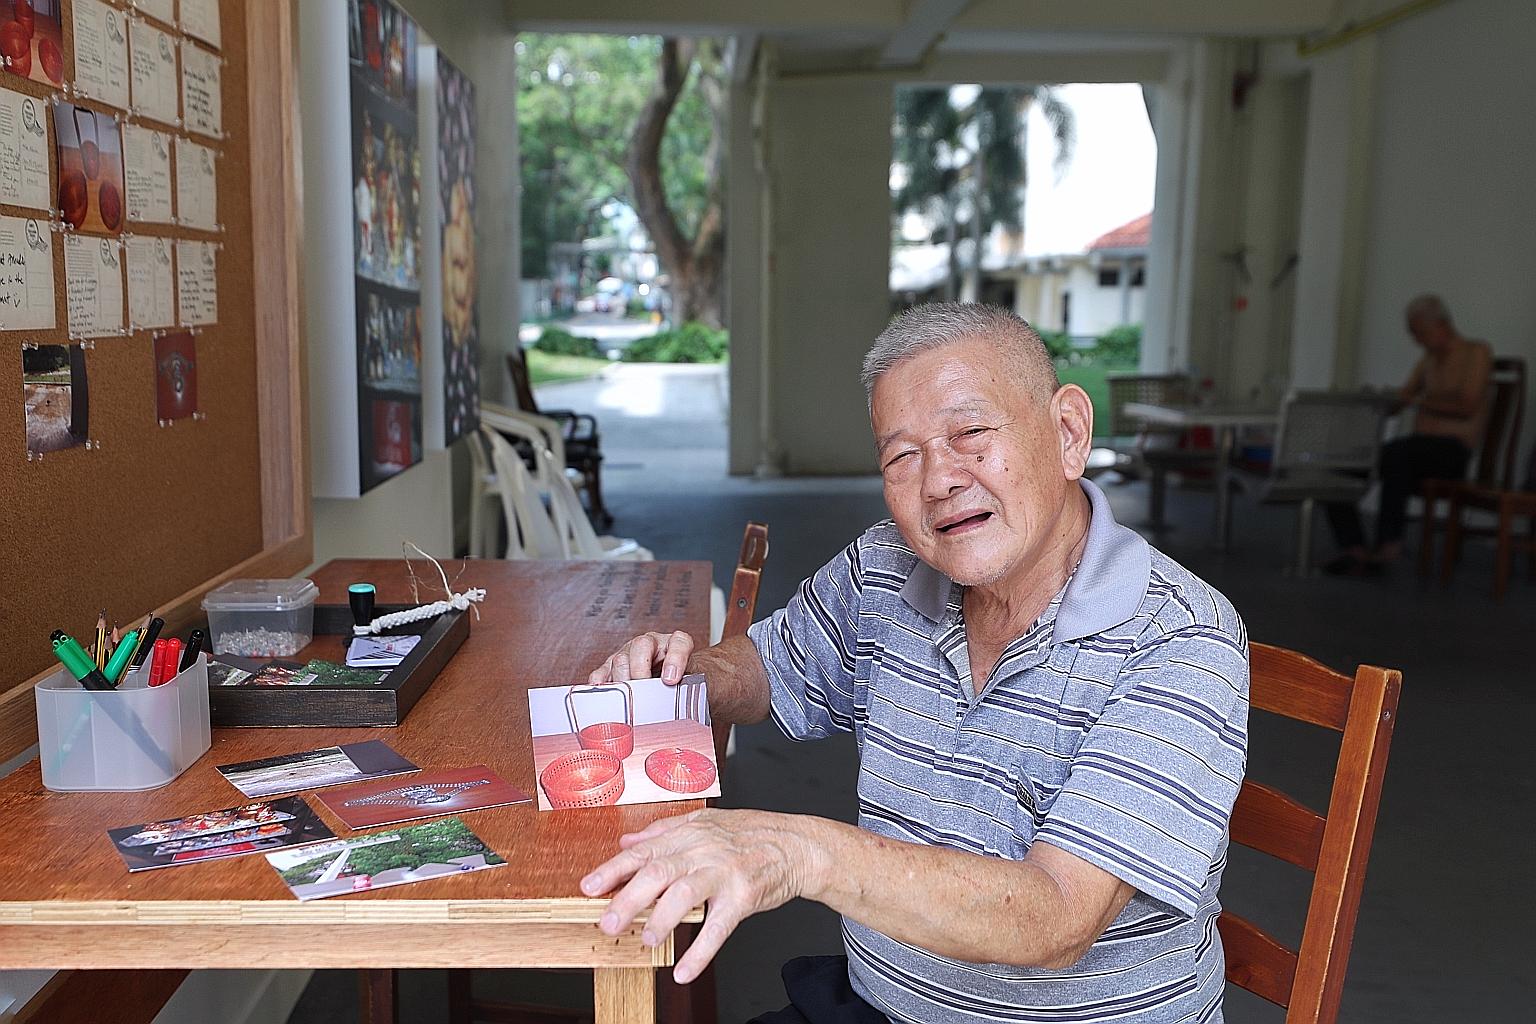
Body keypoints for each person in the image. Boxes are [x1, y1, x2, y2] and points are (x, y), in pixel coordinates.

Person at [581, 303, 1250, 1023]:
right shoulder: (886, 568)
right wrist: (689, 678)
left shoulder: (1180, 638)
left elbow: (1056, 918)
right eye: (902, 456)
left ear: (1067, 433)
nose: (938, 481)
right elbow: (770, 667)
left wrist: (800, 851)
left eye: (969, 434)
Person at [1324, 294, 1492, 576]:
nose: (1417, 340)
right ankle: (1355, 548)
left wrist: (1420, 401)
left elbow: (1468, 405)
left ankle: (1389, 544)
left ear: (1439, 325)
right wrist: (1379, 399)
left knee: (1398, 455)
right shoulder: (1428, 360)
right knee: (1344, 466)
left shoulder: (1475, 353)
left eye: (1419, 332)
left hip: (1452, 451)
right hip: (1414, 451)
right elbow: (1403, 400)